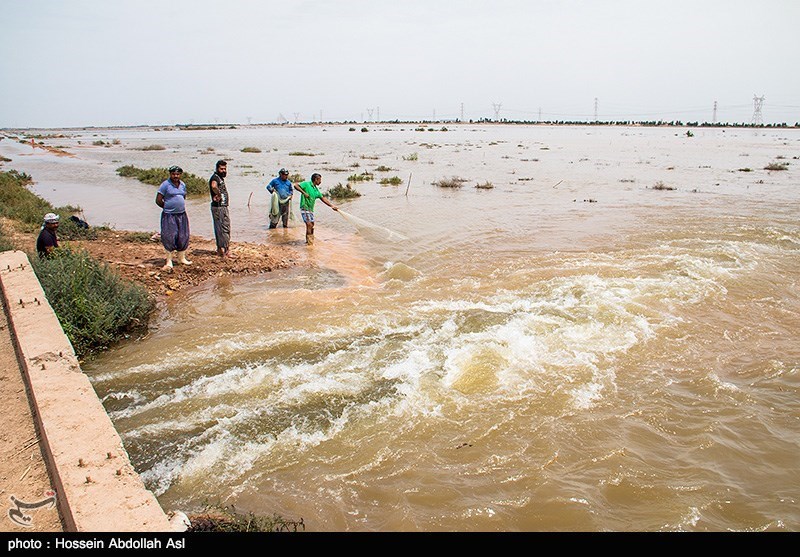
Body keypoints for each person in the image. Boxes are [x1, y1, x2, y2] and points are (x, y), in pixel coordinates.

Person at [156, 165, 192, 271]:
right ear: (170, 174)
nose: (175, 176)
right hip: (169, 215)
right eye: (173, 174)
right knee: (169, 236)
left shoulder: (182, 185)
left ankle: (182, 258)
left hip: (181, 214)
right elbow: (158, 200)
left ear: (180, 174)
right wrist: (168, 207)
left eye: (177, 174)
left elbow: (183, 197)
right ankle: (169, 261)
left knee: (183, 235)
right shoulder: (165, 185)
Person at [293, 173, 338, 245]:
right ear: (316, 179)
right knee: (309, 224)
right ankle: (309, 243)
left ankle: (310, 240)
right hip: (305, 207)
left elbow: (322, 198)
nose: (320, 182)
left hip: (310, 209)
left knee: (312, 224)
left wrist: (332, 206)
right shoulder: (306, 184)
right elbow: (296, 186)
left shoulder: (316, 189)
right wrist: (304, 193)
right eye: (320, 180)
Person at [208, 159, 232, 258]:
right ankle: (226, 251)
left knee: (219, 228)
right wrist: (218, 194)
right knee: (224, 228)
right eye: (221, 169)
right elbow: (213, 186)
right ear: (217, 169)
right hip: (219, 207)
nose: (224, 171)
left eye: (225, 169)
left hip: (219, 207)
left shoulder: (218, 177)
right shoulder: (215, 178)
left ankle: (220, 249)